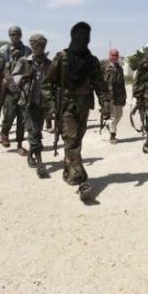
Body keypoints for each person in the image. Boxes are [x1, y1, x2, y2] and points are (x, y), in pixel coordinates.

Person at [45, 22, 111, 201]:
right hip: (65, 106)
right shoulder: (62, 58)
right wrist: (51, 105)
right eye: (80, 37)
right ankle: (83, 180)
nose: (83, 40)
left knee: (75, 141)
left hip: (83, 107)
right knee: (72, 140)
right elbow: (47, 83)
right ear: (73, 37)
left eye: (86, 37)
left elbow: (100, 84)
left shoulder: (92, 61)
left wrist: (105, 103)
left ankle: (69, 172)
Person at [16, 34, 52, 174]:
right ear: (31, 46)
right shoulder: (24, 61)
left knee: (37, 130)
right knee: (34, 131)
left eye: (42, 45)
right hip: (27, 102)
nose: (39, 47)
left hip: (42, 102)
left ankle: (31, 154)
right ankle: (40, 162)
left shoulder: (49, 63)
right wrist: (25, 76)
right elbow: (14, 81)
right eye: (36, 45)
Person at [0, 25, 32, 154]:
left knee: (22, 117)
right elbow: (0, 69)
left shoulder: (27, 50)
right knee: (9, 114)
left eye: (17, 34)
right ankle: (4, 133)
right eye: (12, 34)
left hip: (24, 88)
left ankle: (19, 144)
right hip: (9, 88)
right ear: (9, 36)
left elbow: (30, 68)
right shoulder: (3, 50)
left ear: (21, 35)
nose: (15, 37)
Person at [103, 48, 127, 144]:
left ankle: (108, 124)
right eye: (113, 55)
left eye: (116, 55)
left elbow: (122, 83)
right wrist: (105, 97)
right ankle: (112, 136)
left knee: (120, 114)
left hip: (119, 95)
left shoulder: (119, 68)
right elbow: (104, 83)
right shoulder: (107, 68)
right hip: (111, 96)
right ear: (109, 56)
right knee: (113, 116)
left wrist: (124, 95)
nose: (115, 57)